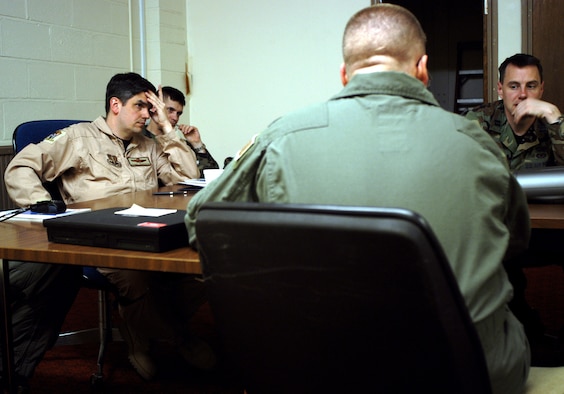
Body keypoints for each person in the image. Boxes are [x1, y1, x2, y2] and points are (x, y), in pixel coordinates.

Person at [186, 4, 531, 393]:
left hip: (320, 370)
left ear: (345, 74)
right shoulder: (477, 143)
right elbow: (516, 241)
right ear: (422, 68)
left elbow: (203, 222)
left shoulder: (282, 137)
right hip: (465, 375)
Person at [5, 72, 216, 382]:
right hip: (98, 239)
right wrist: (44, 209)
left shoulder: (147, 143)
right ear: (115, 104)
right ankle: (178, 337)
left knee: (200, 267)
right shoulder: (78, 138)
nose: (147, 114)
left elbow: (186, 179)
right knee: (135, 273)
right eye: (141, 106)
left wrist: (168, 129)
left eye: (150, 108)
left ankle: (137, 324)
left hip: (146, 229)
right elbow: (21, 168)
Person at [466, 54, 564, 345]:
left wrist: (554, 116)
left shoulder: (552, 122)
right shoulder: (476, 122)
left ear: (542, 88)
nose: (522, 94)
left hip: (544, 230)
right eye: (513, 86)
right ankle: (520, 328)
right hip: (494, 227)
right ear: (500, 89)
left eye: (531, 85)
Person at [144, 85, 220, 173]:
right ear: (155, 108)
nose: (175, 118)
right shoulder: (139, 140)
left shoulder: (180, 144)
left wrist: (197, 144)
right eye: (170, 110)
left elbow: (211, 175)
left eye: (178, 113)